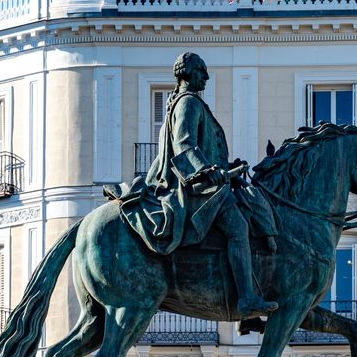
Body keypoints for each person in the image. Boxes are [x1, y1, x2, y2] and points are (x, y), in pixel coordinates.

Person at [113, 51, 278, 319]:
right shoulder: (188, 102)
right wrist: (207, 172)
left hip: (210, 180)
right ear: (188, 73)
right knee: (238, 227)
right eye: (201, 70)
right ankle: (246, 298)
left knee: (252, 204)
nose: (207, 76)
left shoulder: (189, 102)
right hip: (196, 188)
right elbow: (184, 144)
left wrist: (225, 167)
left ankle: (247, 303)